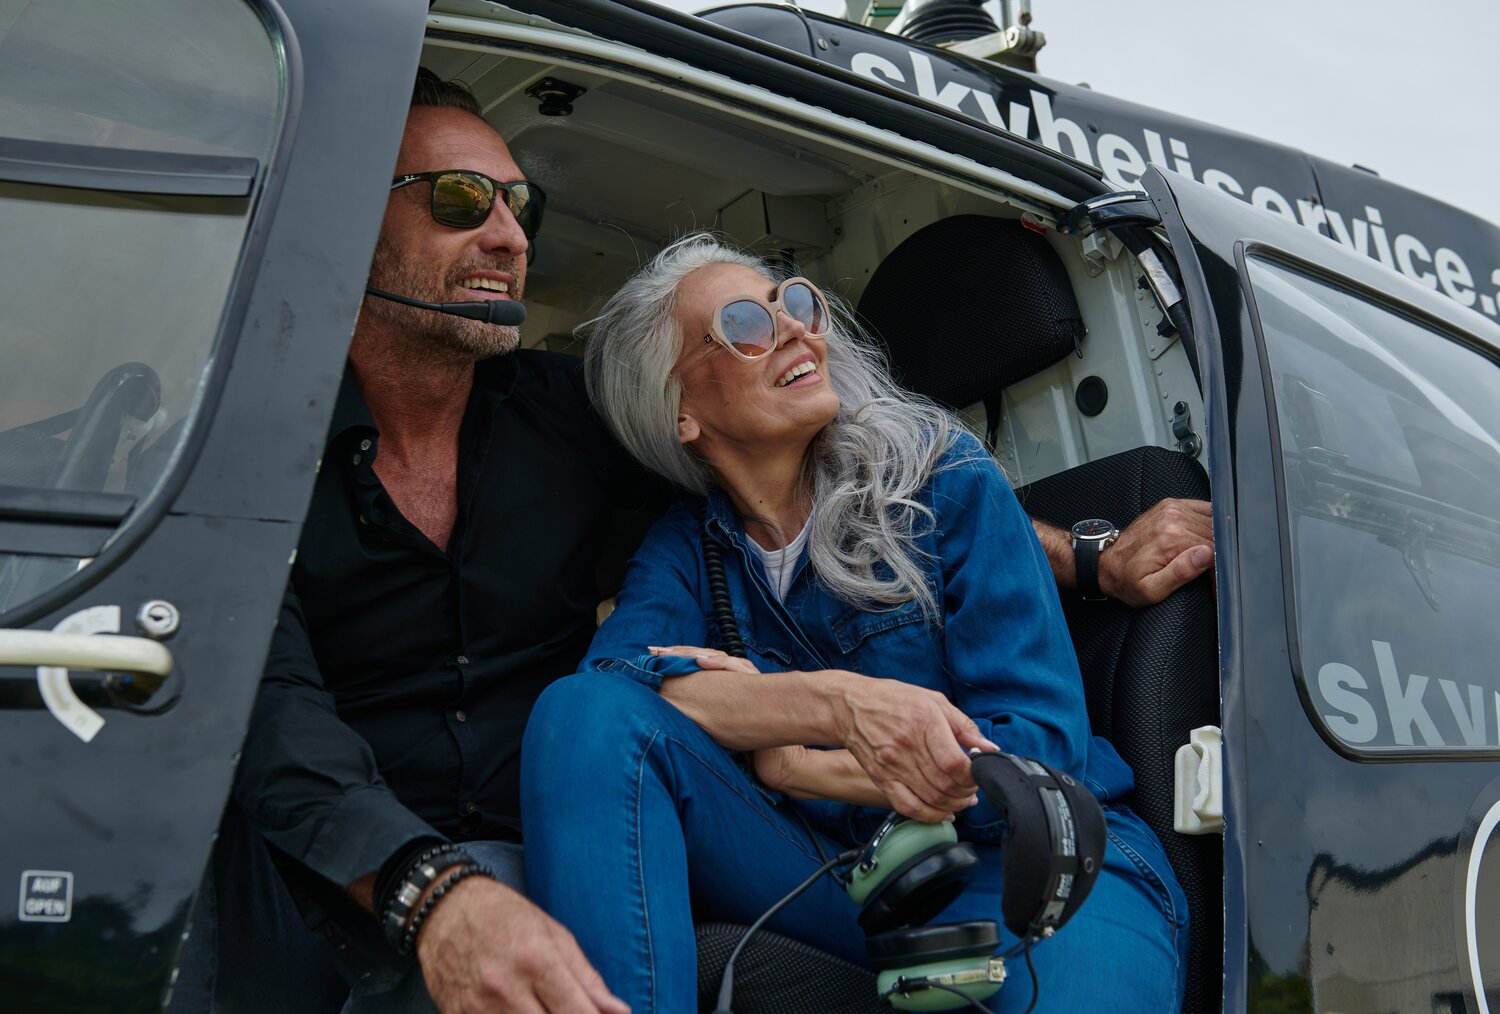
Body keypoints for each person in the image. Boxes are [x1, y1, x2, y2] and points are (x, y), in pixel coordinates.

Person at [519, 234, 1191, 1012]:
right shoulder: (685, 551)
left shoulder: (946, 480)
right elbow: (618, 690)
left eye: (795, 305)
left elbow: (1027, 753)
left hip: (1038, 863)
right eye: (745, 324)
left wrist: (795, 763)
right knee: (580, 715)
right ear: (681, 415)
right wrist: (830, 704)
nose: (799, 329)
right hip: (852, 877)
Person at [193, 70, 637, 1014]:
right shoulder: (249, 440)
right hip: (308, 870)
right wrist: (432, 892)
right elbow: (265, 706)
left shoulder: (580, 416)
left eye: (520, 206)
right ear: (348, 219)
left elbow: (767, 469)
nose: (510, 237)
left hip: (546, 861)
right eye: (460, 200)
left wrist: (1021, 534)